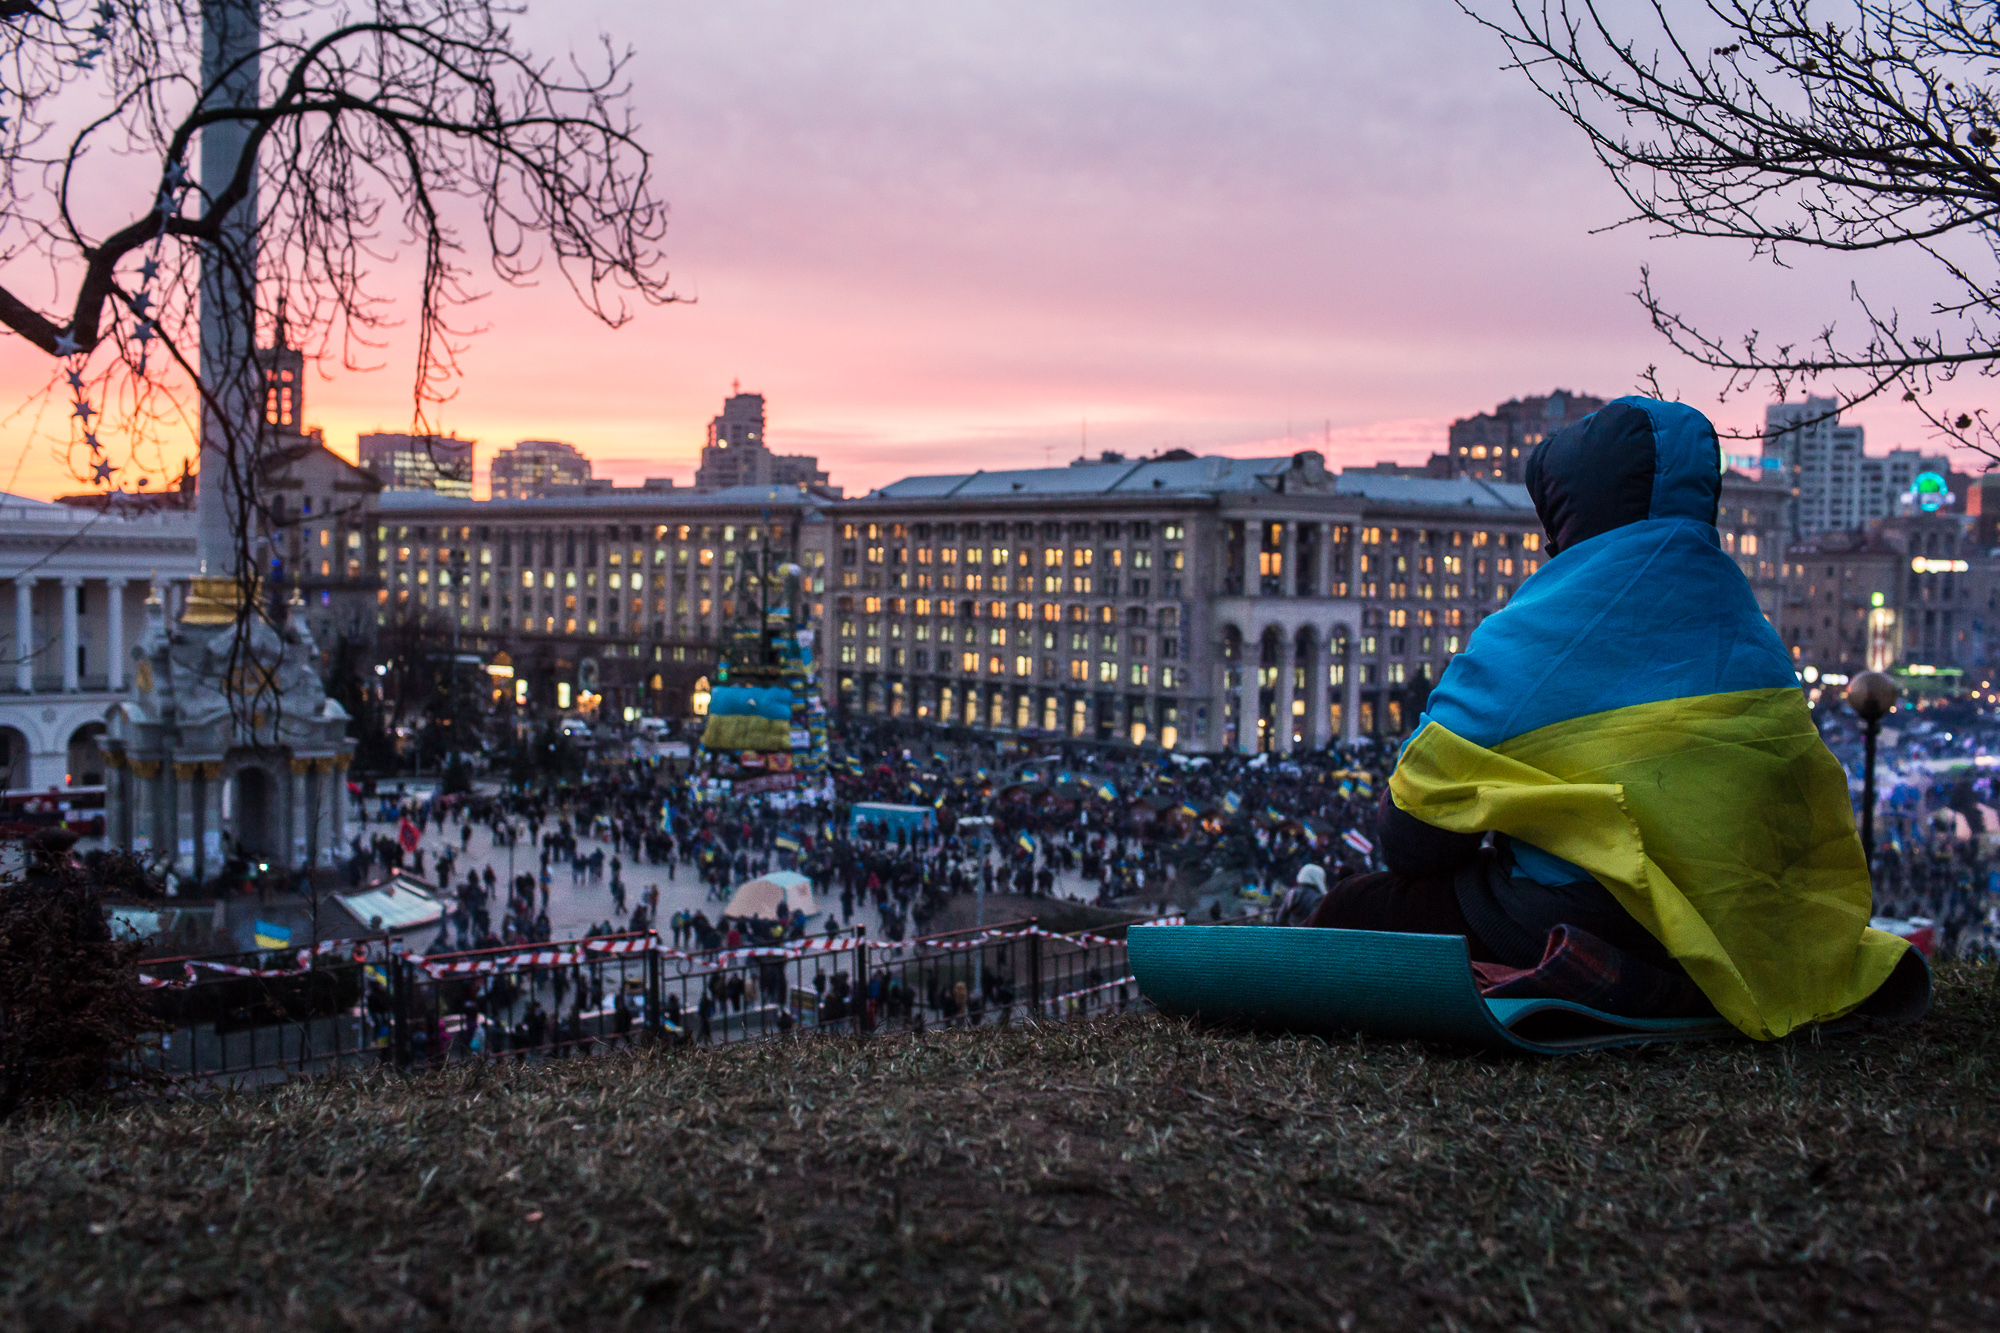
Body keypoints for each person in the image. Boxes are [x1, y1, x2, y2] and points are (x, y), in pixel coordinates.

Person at [1308, 396, 1928, 1036]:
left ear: (1567, 513)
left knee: (1355, 906)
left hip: (1589, 925)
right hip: (1746, 933)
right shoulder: (1756, 638)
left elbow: (1413, 836)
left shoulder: (1529, 639)